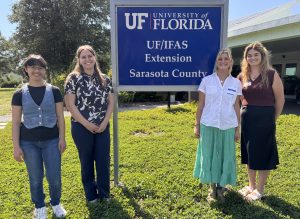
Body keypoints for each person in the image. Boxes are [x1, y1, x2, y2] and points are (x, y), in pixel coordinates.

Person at [11, 54, 67, 219]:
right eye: (33, 67)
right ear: (26, 69)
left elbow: (60, 118)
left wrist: (62, 138)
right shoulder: (19, 94)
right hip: (28, 143)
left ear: (44, 70)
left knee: (54, 177)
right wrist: (16, 146)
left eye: (40, 67)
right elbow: (15, 123)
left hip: (52, 140)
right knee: (35, 178)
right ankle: (39, 206)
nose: (37, 70)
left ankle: (56, 203)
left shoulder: (54, 91)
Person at [64, 45, 114, 203]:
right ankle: (91, 196)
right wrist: (87, 125)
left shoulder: (105, 78)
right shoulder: (73, 78)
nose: (87, 59)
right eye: (83, 57)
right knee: (86, 161)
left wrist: (105, 122)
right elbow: (70, 105)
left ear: (95, 57)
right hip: (81, 127)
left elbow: (111, 102)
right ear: (79, 60)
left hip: (103, 127)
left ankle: (105, 194)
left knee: (103, 161)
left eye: (90, 56)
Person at [237, 42, 285, 201]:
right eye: (249, 55)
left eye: (256, 54)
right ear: (246, 58)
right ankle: (251, 185)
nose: (252, 57)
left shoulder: (271, 74)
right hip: (247, 119)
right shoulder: (241, 76)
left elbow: (280, 99)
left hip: (265, 119)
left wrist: (273, 118)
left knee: (263, 153)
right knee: (249, 152)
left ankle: (260, 188)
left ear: (262, 56)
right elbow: (236, 99)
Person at [193, 49, 242, 203]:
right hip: (208, 124)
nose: (223, 61)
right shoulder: (207, 81)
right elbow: (200, 105)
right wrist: (197, 125)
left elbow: (236, 106)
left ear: (231, 61)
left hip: (228, 125)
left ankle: (221, 187)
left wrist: (237, 128)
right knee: (209, 155)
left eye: (226, 59)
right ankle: (212, 186)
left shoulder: (236, 83)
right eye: (220, 59)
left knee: (225, 156)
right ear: (216, 62)